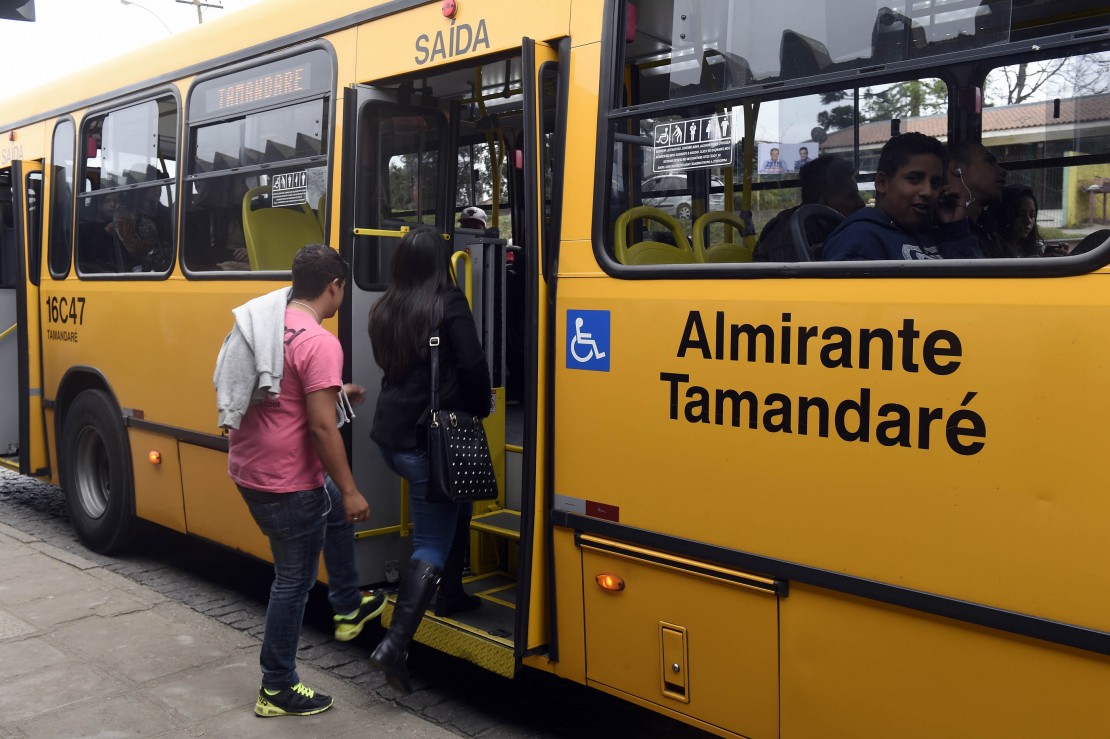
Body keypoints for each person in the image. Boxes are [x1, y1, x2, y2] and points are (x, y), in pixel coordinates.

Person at [219, 243, 385, 718]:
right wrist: (353, 489)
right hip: (287, 483)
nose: (341, 300)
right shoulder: (320, 341)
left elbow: (290, 400)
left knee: (328, 504)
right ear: (334, 287)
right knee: (293, 580)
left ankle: (348, 606)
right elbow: (319, 426)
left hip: (252, 469)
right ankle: (277, 685)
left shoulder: (270, 326)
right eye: (341, 291)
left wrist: (336, 392)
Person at [367, 226, 492, 694]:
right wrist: (480, 408)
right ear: (441, 262)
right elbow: (473, 365)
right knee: (431, 544)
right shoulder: (448, 303)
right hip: (430, 441)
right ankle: (394, 645)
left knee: (457, 498)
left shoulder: (385, 307)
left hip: (392, 438)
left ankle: (453, 592)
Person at [821, 132, 982, 261]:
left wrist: (955, 229)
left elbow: (975, 288)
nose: (927, 192)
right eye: (914, 179)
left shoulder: (933, 233)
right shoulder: (859, 238)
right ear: (882, 183)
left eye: (935, 183)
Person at [753, 155, 865, 262]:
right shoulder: (791, 235)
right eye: (851, 197)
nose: (861, 203)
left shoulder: (827, 230)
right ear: (824, 201)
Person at [947, 141, 1008, 258]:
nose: (1003, 171)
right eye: (989, 162)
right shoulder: (942, 227)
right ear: (956, 168)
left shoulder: (988, 225)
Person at [991, 184, 1053, 257]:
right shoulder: (990, 249)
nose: (1028, 221)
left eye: (1032, 215)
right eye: (1021, 214)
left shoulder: (1036, 248)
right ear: (1005, 214)